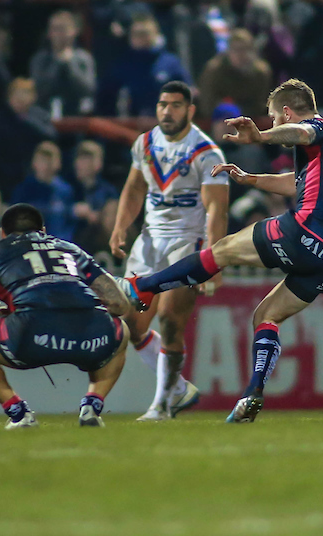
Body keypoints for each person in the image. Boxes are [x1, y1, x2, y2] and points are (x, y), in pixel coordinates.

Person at [122, 80, 323, 424]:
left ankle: (144, 286)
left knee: (221, 250)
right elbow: (297, 183)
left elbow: (301, 132)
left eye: (273, 118)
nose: (274, 123)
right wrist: (251, 179)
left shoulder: (316, 127)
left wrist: (261, 136)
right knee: (266, 316)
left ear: (286, 113)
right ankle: (252, 393)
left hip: (308, 231)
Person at [0, 203, 132, 429]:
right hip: (92, 339)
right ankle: (92, 406)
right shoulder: (69, 248)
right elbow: (120, 303)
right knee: (120, 330)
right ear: (43, 231)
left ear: (3, 233)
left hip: (31, 337)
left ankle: (18, 413)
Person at [109, 81, 228, 421]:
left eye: (175, 105)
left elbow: (216, 210)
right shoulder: (145, 143)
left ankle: (161, 405)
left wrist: (213, 261)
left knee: (170, 320)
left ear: (190, 110)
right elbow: (134, 188)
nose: (167, 111)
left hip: (187, 243)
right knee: (131, 324)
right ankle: (178, 390)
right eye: (163, 105)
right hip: (149, 242)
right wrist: (120, 226)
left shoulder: (207, 153)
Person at [10, 141, 75, 241]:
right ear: (34, 163)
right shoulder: (23, 190)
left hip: (59, 243)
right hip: (30, 243)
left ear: (58, 163)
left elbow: (70, 221)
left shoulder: (65, 191)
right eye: (42, 161)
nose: (45, 166)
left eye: (50, 161)